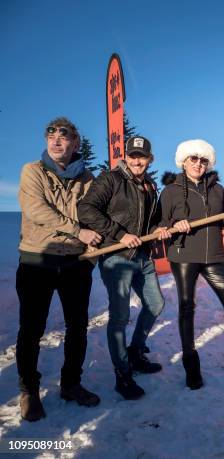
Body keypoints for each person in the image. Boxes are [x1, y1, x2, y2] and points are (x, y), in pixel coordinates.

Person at [159, 139, 224, 389]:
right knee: (187, 308)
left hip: (214, 256)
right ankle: (191, 365)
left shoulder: (217, 190)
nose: (198, 164)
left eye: (203, 160)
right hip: (183, 255)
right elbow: (159, 224)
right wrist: (171, 227)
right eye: (193, 159)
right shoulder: (171, 191)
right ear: (183, 161)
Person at [16, 117, 101, 422]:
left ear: (75, 143)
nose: (56, 140)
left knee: (77, 327)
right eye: (51, 134)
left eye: (64, 136)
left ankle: (71, 383)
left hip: (75, 264)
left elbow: (95, 217)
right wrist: (78, 232)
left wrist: (89, 257)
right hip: (38, 260)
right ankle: (29, 390)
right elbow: (37, 210)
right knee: (32, 329)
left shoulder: (88, 180)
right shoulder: (32, 171)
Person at [78, 136, 172, 400]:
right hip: (117, 257)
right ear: (125, 157)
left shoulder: (150, 186)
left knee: (155, 304)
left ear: (149, 159)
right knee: (119, 317)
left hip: (142, 256)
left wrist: (158, 230)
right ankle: (122, 374)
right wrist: (118, 234)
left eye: (141, 156)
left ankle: (135, 351)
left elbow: (148, 225)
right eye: (132, 155)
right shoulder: (110, 179)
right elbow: (85, 209)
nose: (136, 161)